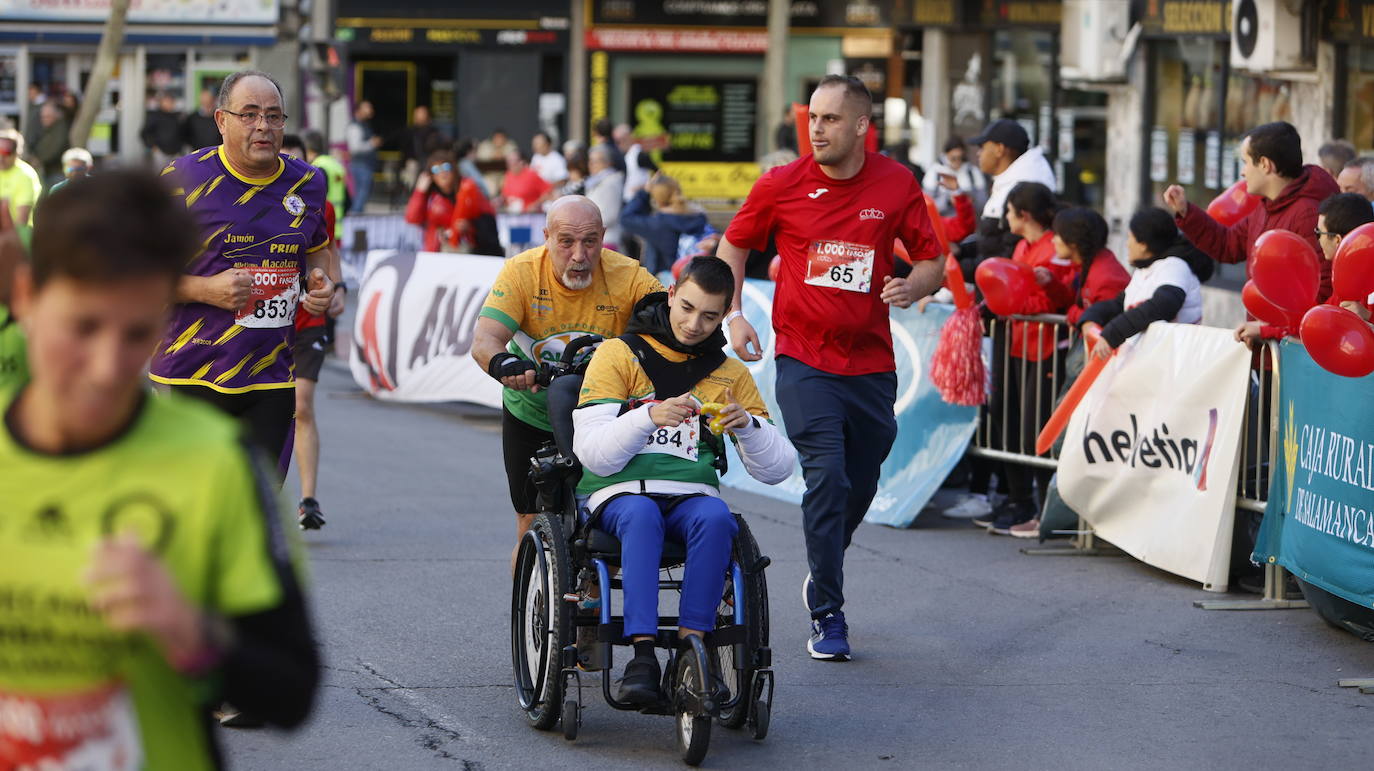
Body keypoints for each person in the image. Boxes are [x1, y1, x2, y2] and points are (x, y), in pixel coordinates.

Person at [0, 168, 318, 769]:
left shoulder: (218, 462)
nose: (107, 367)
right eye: (83, 326)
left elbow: (292, 692)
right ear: (26, 300)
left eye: (137, 333)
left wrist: (191, 633)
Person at [716, 75, 944, 661]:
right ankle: (828, 612)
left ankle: (824, 564)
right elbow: (733, 246)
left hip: (870, 362)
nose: (816, 130)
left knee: (862, 481)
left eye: (831, 119)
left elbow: (933, 261)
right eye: (812, 118)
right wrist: (734, 315)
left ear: (862, 125)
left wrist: (913, 285)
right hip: (804, 357)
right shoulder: (781, 184)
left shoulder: (896, 183)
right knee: (829, 476)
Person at [572, 256, 795, 702]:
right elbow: (593, 453)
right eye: (687, 308)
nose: (694, 325)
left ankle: (694, 650)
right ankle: (642, 655)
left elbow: (778, 470)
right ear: (671, 295)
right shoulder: (618, 354)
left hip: (692, 495)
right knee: (641, 515)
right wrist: (647, 416)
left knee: (717, 518)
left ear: (724, 314)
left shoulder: (730, 374)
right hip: (620, 492)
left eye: (710, 316)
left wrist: (749, 428)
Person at [147, 70, 336, 500]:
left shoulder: (308, 183)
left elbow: (318, 250)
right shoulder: (182, 178)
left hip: (271, 376)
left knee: (257, 510)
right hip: (191, 371)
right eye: (249, 115)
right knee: (195, 507)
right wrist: (205, 290)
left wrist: (321, 281)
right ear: (221, 120)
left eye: (273, 116)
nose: (263, 126)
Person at [471, 196, 664, 569]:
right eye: (566, 242)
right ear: (547, 237)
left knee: (603, 526)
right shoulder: (521, 272)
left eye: (590, 242)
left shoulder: (630, 276)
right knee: (530, 522)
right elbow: (485, 340)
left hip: (603, 419)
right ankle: (530, 601)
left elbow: (672, 327)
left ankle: (591, 599)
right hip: (532, 414)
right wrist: (505, 363)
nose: (579, 255)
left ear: (603, 237)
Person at [975, 182, 1076, 535]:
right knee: (1007, 419)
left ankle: (1043, 506)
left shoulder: (1054, 247)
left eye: (1008, 211)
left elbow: (1052, 301)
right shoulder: (1022, 246)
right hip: (1016, 343)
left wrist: (1010, 306)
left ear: (1025, 214)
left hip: (1044, 348)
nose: (1005, 217)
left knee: (1036, 427)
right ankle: (1018, 500)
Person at [1164, 121, 1339, 302]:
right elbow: (1227, 245)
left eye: (1245, 162)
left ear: (1265, 164)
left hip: (1286, 322)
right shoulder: (1265, 207)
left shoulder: (1308, 214)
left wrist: (1273, 319)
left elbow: (1321, 288)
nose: (1243, 172)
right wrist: (1185, 211)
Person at [282, 135, 347, 531]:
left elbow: (328, 251)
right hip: (264, 325)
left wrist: (337, 287)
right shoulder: (252, 203)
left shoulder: (318, 203)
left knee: (302, 405)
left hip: (307, 321)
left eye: (297, 162)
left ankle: (308, 499)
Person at [1237, 192, 1374, 343]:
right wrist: (1265, 330)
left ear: (1337, 240)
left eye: (1318, 233)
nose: (1318, 241)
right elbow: (1315, 324)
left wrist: (1369, 318)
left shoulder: (1355, 281)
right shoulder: (1346, 281)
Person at [970, 119, 1056, 264]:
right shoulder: (1011, 180)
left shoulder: (1024, 187)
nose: (979, 154)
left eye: (982, 147)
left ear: (999, 149)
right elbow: (991, 242)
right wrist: (961, 251)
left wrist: (961, 267)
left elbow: (1007, 256)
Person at [404, 149, 503, 255]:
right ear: (430, 175)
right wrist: (419, 192)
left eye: (446, 167)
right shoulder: (429, 197)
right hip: (436, 253)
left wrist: (470, 227)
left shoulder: (468, 189)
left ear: (454, 169)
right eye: (436, 169)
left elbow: (488, 218)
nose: (442, 173)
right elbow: (412, 218)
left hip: (467, 251)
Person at [621, 172, 711, 275]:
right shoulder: (698, 216)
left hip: (667, 279)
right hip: (693, 276)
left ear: (656, 198)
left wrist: (644, 192)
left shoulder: (657, 224)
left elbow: (626, 218)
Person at [923, 135, 988, 217]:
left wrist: (968, 201)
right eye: (953, 158)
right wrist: (948, 201)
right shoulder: (935, 172)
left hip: (967, 222)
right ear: (946, 154)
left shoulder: (973, 172)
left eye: (960, 158)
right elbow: (926, 206)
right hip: (943, 223)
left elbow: (982, 204)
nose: (957, 161)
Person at [304, 130, 346, 242]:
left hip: (323, 230)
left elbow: (316, 200)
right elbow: (348, 200)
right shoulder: (335, 165)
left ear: (309, 150)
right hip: (337, 228)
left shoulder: (316, 168)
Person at [345, 100, 382, 214]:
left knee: (362, 193)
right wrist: (372, 143)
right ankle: (355, 216)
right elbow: (355, 148)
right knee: (362, 193)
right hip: (361, 165)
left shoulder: (364, 124)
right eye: (367, 108)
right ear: (359, 111)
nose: (370, 110)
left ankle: (355, 215)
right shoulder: (355, 126)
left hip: (365, 165)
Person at [0, 128, 42, 228]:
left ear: (17, 153)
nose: (1, 158)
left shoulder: (26, 175)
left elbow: (22, 221)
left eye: (6, 152)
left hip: (18, 234)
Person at [585, 144, 625, 248]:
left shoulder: (610, 182)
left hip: (606, 239)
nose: (591, 165)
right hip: (596, 238)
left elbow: (609, 215)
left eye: (596, 161)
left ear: (607, 163)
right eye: (590, 161)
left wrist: (585, 223)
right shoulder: (595, 181)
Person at [400, 105, 447, 190]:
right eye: (417, 114)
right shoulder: (410, 131)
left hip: (431, 161)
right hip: (414, 162)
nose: (420, 116)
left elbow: (439, 146)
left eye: (422, 113)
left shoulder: (434, 132)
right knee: (412, 172)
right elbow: (404, 149)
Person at [499, 149, 553, 213]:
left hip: (529, 214)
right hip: (512, 213)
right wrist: (500, 200)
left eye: (514, 161)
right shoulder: (507, 175)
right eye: (508, 162)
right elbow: (505, 195)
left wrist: (535, 205)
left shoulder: (531, 175)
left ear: (521, 162)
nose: (511, 164)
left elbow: (548, 191)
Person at [31, 101, 70, 187]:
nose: (44, 119)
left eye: (48, 117)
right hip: (49, 171)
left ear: (56, 116)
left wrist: (38, 160)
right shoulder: (49, 129)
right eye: (43, 117)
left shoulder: (60, 130)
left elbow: (53, 150)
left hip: (56, 172)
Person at [141, 93, 185, 168]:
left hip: (176, 153)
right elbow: (144, 133)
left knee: (177, 173)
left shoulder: (177, 116)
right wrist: (152, 146)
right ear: (161, 102)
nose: (169, 104)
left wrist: (181, 147)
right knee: (160, 173)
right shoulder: (154, 116)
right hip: (160, 153)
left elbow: (183, 133)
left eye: (171, 102)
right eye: (166, 101)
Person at [476, 128, 514, 198]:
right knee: (490, 190)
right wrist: (492, 155)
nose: (499, 140)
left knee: (509, 188)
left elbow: (513, 156)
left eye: (501, 138)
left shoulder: (510, 145)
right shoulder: (486, 146)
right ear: (493, 138)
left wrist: (502, 155)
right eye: (497, 138)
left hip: (505, 175)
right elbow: (481, 158)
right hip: (489, 175)